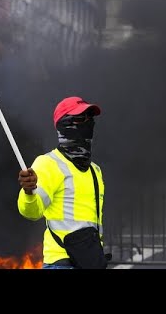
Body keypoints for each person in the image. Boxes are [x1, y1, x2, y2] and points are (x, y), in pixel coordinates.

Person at [17, 96, 106, 269]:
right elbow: (32, 212)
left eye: (90, 118)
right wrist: (28, 192)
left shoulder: (95, 170)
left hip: (91, 261)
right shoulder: (48, 163)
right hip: (61, 263)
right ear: (64, 125)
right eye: (80, 119)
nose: (87, 123)